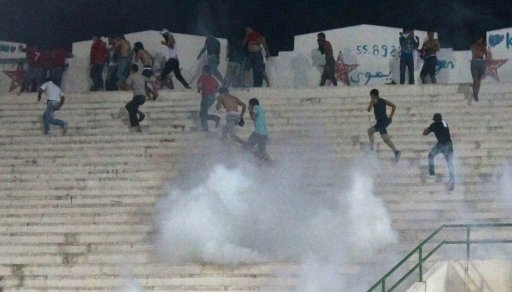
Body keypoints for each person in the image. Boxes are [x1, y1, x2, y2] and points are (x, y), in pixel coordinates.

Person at [367, 89, 401, 162]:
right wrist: (390, 117)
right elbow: (394, 106)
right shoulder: (383, 100)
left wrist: (370, 104)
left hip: (382, 122)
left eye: (371, 96)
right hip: (382, 121)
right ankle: (371, 150)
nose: (371, 97)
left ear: (373, 95)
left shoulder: (373, 101)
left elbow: (369, 110)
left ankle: (396, 152)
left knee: (385, 138)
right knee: (370, 131)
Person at [423, 113, 455, 191]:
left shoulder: (434, 125)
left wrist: (426, 129)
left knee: (431, 155)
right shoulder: (444, 123)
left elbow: (425, 133)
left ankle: (431, 172)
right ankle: (452, 180)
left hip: (441, 145)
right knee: (449, 163)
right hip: (449, 144)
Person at [121, 64, 155, 132]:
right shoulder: (142, 76)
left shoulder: (131, 76)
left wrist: (121, 87)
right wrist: (154, 90)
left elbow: (127, 88)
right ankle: (140, 114)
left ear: (132, 70)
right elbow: (151, 80)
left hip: (137, 96)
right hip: (143, 97)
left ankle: (137, 127)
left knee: (131, 109)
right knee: (129, 106)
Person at [197, 65, 221, 131]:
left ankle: (206, 128)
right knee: (202, 113)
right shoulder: (212, 78)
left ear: (204, 70)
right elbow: (218, 88)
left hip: (206, 97)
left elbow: (199, 86)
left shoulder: (202, 77)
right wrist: (212, 91)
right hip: (212, 98)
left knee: (203, 114)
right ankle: (214, 118)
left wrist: (199, 90)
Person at [470, 35, 488, 102]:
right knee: (477, 80)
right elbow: (486, 54)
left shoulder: (474, 46)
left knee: (476, 80)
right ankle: (475, 94)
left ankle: (475, 93)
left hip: (476, 62)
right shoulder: (481, 46)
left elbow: (485, 54)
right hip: (479, 62)